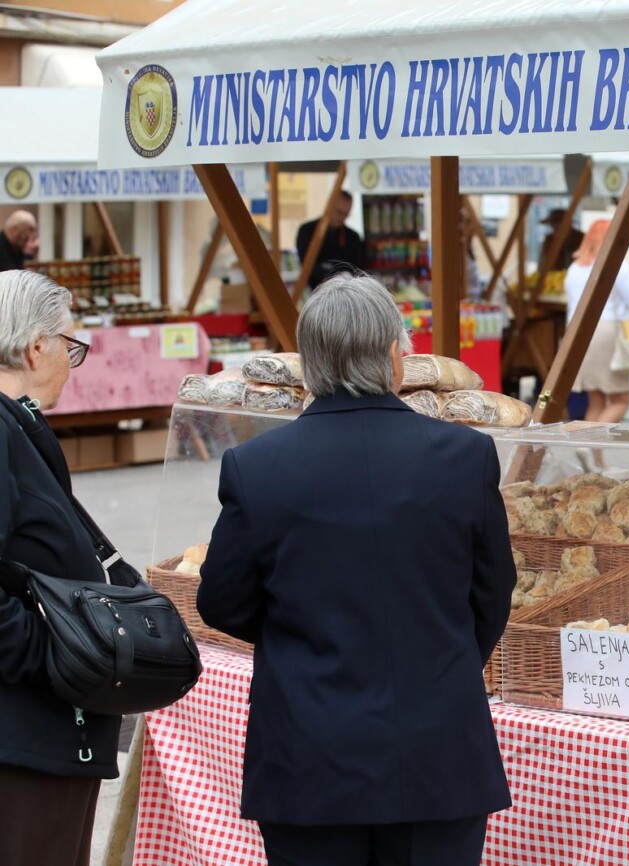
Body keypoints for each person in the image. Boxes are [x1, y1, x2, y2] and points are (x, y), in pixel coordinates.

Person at [196, 274, 516, 866]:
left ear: (310, 367)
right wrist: (437, 659)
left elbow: (220, 601)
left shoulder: (257, 466)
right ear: (397, 357)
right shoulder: (465, 456)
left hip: (308, 752)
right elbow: (493, 595)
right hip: (437, 747)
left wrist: (300, 640)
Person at [0, 270, 119, 866]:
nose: (74, 364)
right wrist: (48, 651)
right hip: (22, 738)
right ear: (35, 347)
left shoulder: (16, 423)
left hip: (41, 731)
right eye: (71, 347)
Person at [564, 219, 629, 423]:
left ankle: (594, 454)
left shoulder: (574, 269)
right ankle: (584, 441)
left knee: (596, 400)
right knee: (622, 399)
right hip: (605, 332)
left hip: (577, 333)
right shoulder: (616, 264)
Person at [295, 191, 368, 290]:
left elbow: (358, 267)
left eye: (346, 214)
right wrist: (335, 273)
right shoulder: (307, 231)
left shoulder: (352, 237)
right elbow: (308, 265)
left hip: (347, 291)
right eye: (339, 212)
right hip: (317, 291)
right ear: (329, 206)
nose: (342, 218)